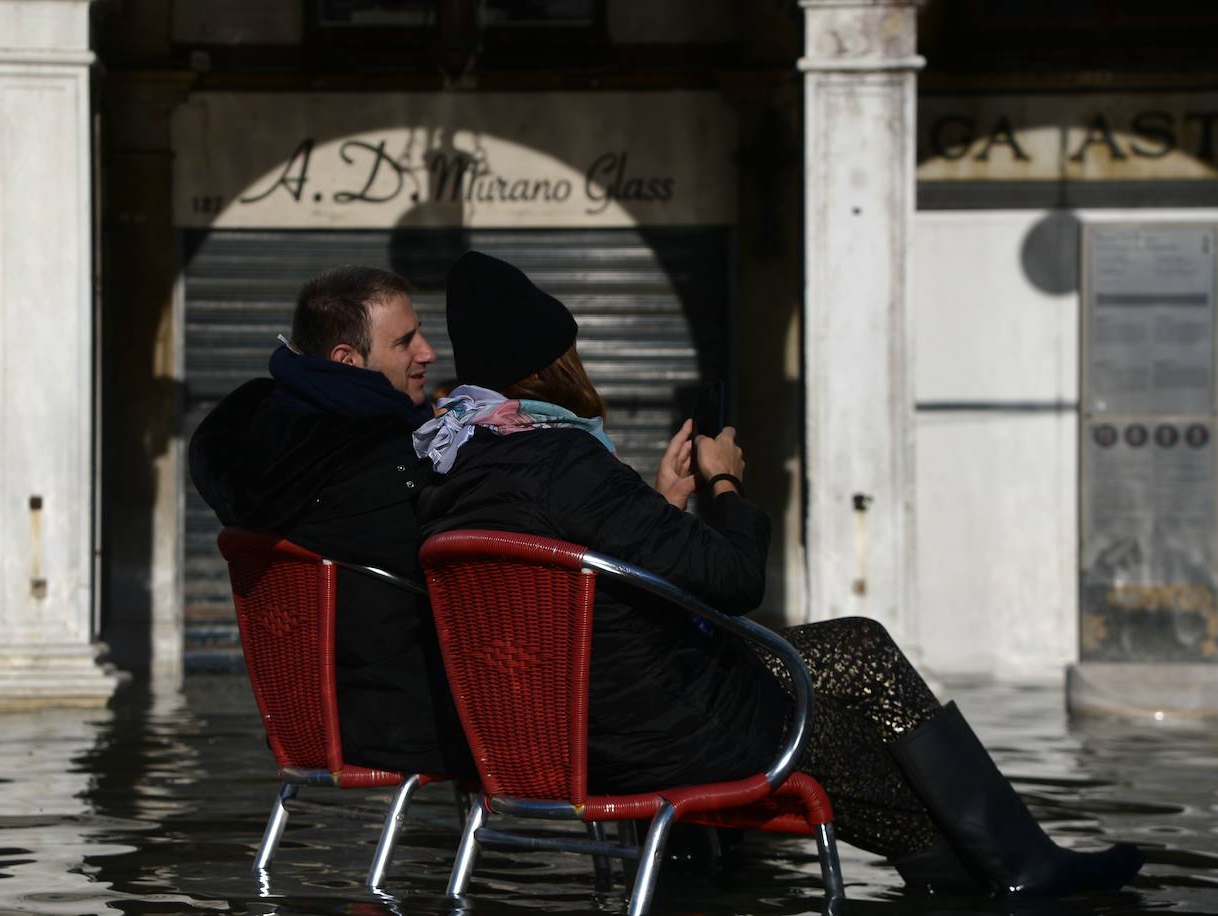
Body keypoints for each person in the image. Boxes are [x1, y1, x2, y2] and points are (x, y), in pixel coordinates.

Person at [412, 250, 1142, 898]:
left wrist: (664, 502)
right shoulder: (565, 460)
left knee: (852, 656)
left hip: (549, 727)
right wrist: (725, 484)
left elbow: (582, 586)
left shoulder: (462, 464)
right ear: (555, 364)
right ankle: (1001, 870)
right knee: (856, 710)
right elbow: (732, 579)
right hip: (651, 729)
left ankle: (998, 862)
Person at [190, 265, 473, 778]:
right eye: (405, 342)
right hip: (410, 722)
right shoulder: (380, 463)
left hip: (309, 724)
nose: (428, 352)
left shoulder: (261, 445)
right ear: (348, 360)